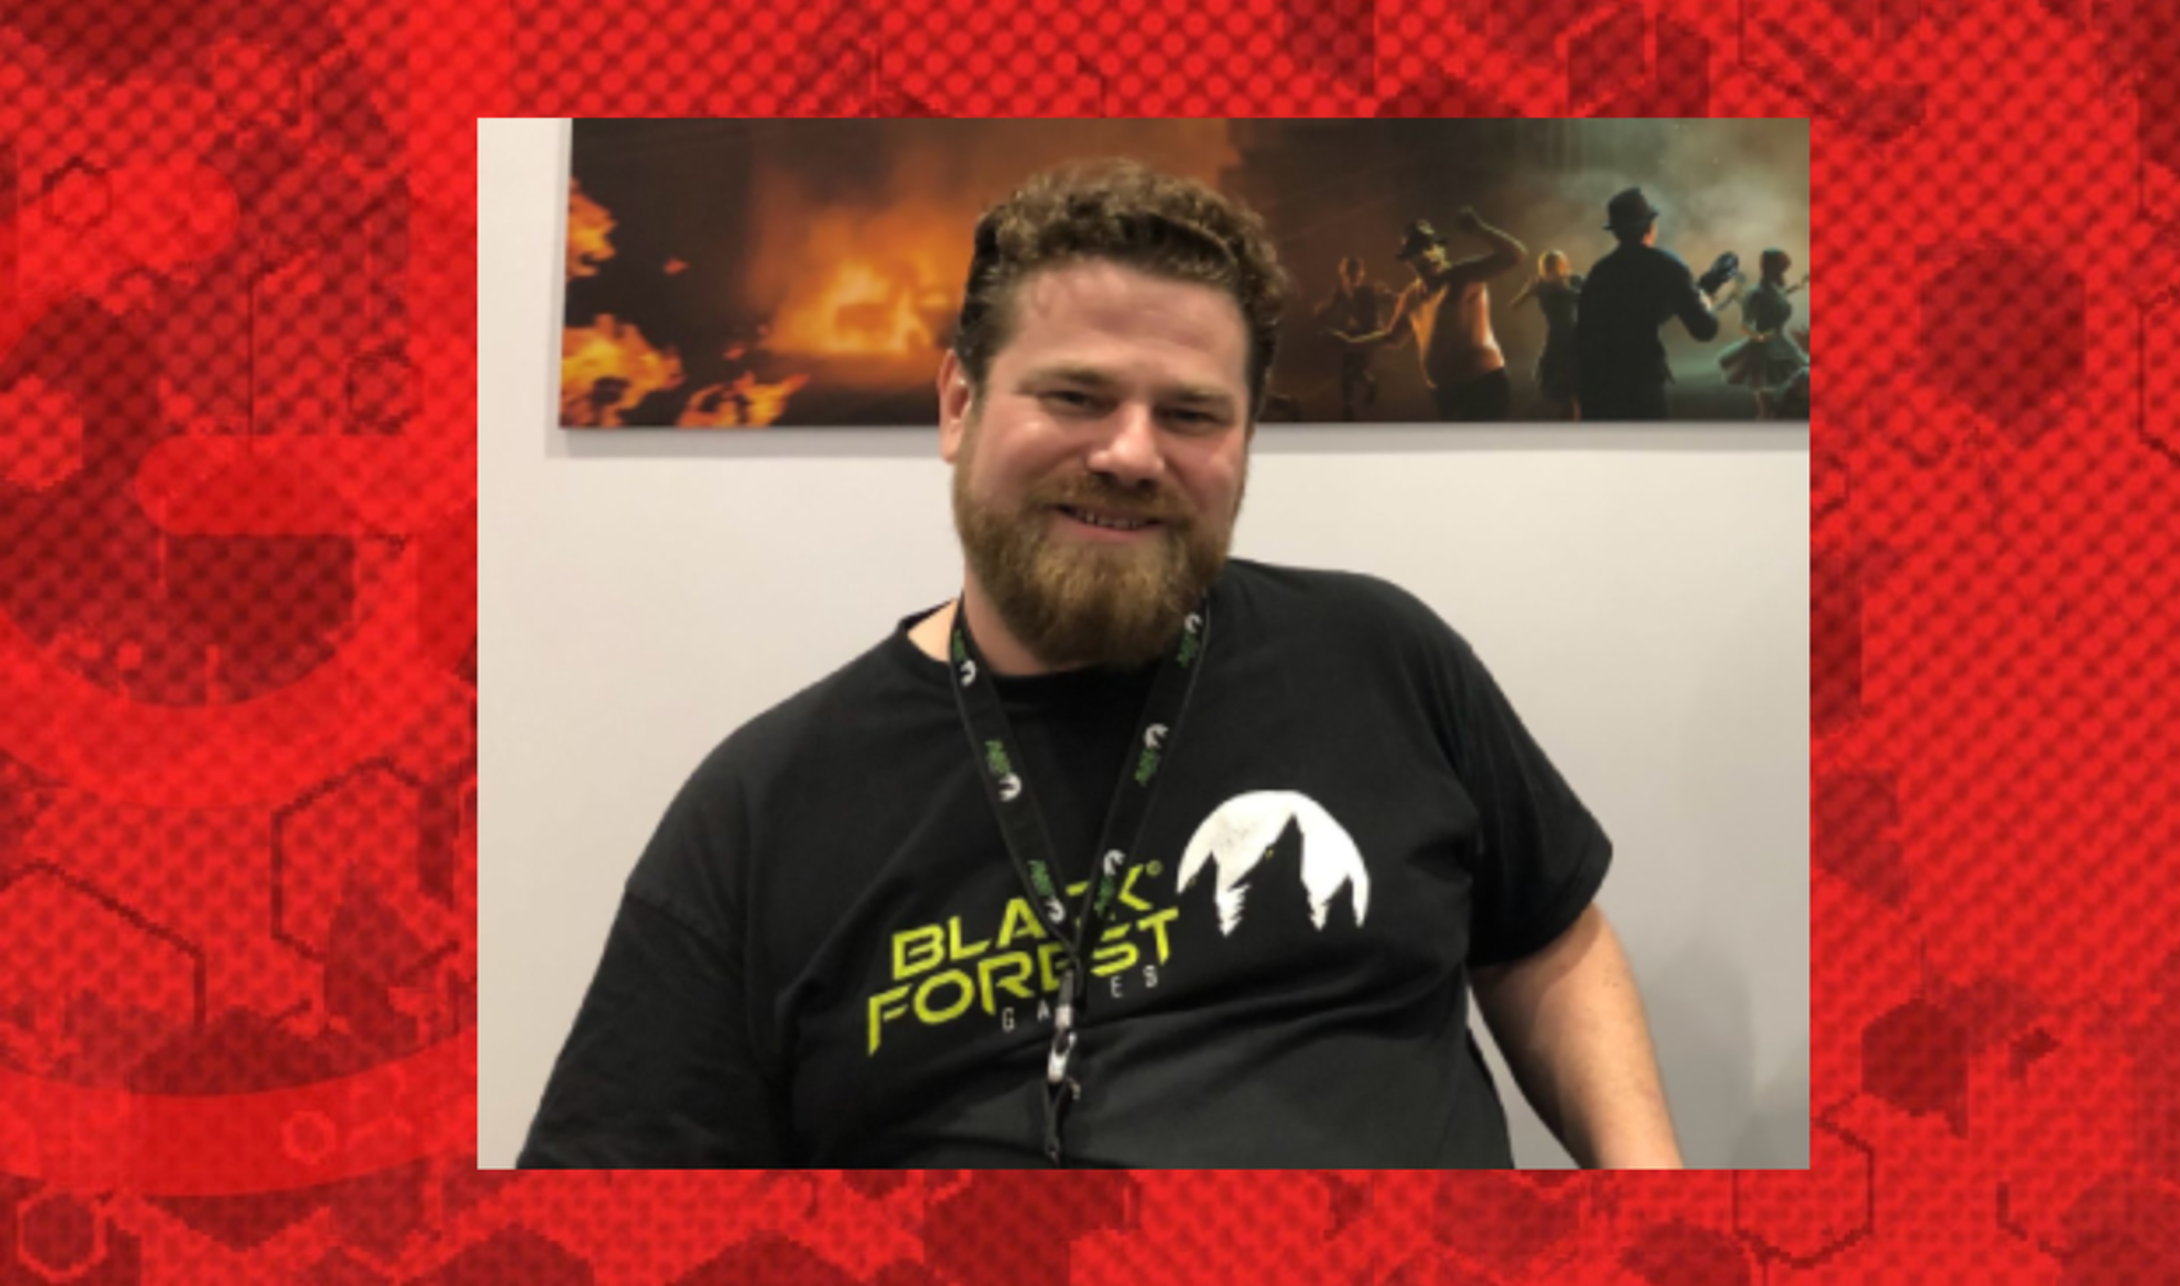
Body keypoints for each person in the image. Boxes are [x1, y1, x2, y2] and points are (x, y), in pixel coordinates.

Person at [518, 159, 1683, 1169]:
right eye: (1076, 395)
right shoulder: (765, 808)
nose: (1132, 452)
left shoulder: (1386, 654)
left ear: (1245, 440)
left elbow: (1551, 939)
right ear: (959, 404)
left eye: (1192, 413)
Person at [1329, 208, 1528, 422]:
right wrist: (1350, 344)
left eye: (1430, 246)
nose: (1425, 254)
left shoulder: (1462, 276)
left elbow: (1515, 256)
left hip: (1482, 387)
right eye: (1416, 250)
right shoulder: (1411, 296)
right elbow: (1393, 338)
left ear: (1441, 248)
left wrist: (1480, 229)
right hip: (1444, 395)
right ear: (1408, 260)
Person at [1574, 188, 1722, 421]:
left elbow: (1590, 330)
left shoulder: (1600, 271)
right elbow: (1704, 330)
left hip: (1597, 389)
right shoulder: (1669, 266)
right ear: (1650, 227)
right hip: (1641, 387)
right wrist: (1704, 300)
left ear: (1616, 232)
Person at [1715, 249, 1810, 420]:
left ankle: (1776, 415)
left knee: (1797, 382)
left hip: (1782, 343)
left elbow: (1779, 295)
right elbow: (1744, 324)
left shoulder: (1773, 290)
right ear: (1772, 269)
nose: (1783, 274)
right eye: (1781, 269)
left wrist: (1798, 286)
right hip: (1764, 349)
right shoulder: (1756, 294)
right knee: (1766, 399)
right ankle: (1766, 421)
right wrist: (1758, 337)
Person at [1510, 249, 1587, 420]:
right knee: (1565, 394)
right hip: (1558, 341)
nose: (1553, 272)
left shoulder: (1574, 280)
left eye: (1556, 267)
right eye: (1549, 268)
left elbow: (1589, 299)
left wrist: (1566, 288)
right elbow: (1514, 305)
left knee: (1578, 391)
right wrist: (1527, 291)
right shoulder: (1541, 285)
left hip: (1575, 338)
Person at [1315, 255, 1388, 421]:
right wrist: (1321, 312)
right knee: (1347, 371)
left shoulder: (1368, 291)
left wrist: (1386, 294)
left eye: (1355, 271)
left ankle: (1371, 384)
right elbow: (1329, 306)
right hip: (1353, 333)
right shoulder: (1340, 291)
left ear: (1361, 273)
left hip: (1368, 335)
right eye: (1348, 271)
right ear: (1342, 272)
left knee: (1357, 371)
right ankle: (1348, 406)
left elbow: (1378, 308)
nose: (1352, 276)